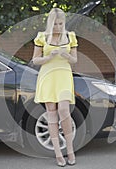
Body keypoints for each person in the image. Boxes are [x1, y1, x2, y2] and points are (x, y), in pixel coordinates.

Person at [32, 8, 78, 167]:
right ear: (50, 24)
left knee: (64, 110)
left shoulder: (70, 36)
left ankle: (70, 150)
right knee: (51, 113)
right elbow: (35, 60)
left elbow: (74, 60)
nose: (58, 27)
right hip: (48, 76)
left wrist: (66, 56)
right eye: (55, 24)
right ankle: (58, 153)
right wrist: (48, 57)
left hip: (64, 76)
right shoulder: (42, 37)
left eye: (60, 23)